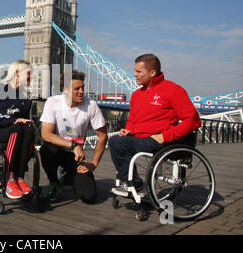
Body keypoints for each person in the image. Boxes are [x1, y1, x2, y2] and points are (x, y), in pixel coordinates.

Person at [109, 54, 201, 194]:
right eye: (135, 71)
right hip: (140, 139)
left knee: (117, 142)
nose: (134, 74)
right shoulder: (136, 95)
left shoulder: (173, 90)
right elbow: (132, 121)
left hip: (161, 141)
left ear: (152, 73)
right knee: (118, 140)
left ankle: (133, 184)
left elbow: (193, 121)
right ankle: (133, 182)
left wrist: (164, 136)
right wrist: (129, 130)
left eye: (139, 71)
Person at [40, 70, 108, 204]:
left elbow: (103, 136)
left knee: (89, 197)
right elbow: (46, 135)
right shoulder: (52, 102)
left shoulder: (91, 105)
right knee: (46, 150)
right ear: (64, 89)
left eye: (83, 87)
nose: (82, 91)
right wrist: (73, 145)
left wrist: (93, 164)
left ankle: (66, 178)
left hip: (76, 157)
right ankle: (54, 181)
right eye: (77, 88)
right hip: (58, 150)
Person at [0, 60, 35, 199]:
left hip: (15, 133)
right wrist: (11, 120)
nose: (32, 77)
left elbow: (26, 121)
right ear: (17, 73)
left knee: (28, 129)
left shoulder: (26, 97)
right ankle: (9, 178)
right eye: (29, 74)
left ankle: (20, 178)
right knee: (16, 129)